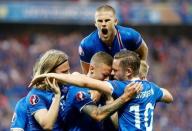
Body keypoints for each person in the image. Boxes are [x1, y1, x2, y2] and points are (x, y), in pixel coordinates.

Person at [31, 50, 173, 131]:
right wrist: (125, 97)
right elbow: (97, 114)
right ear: (91, 69)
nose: (109, 80)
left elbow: (118, 125)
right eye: (106, 75)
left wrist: (112, 98)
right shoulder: (78, 91)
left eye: (112, 75)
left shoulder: (112, 91)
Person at [79, 5, 148, 74]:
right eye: (100, 21)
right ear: (95, 23)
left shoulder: (130, 35)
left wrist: (142, 65)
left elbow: (144, 49)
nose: (103, 24)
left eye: (107, 20)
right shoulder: (86, 45)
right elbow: (87, 74)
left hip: (126, 76)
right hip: (103, 80)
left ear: (115, 21)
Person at [26, 49, 70, 130]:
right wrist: (57, 96)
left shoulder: (66, 87)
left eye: (68, 71)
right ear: (50, 73)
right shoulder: (35, 96)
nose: (68, 75)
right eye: (64, 72)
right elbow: (47, 125)